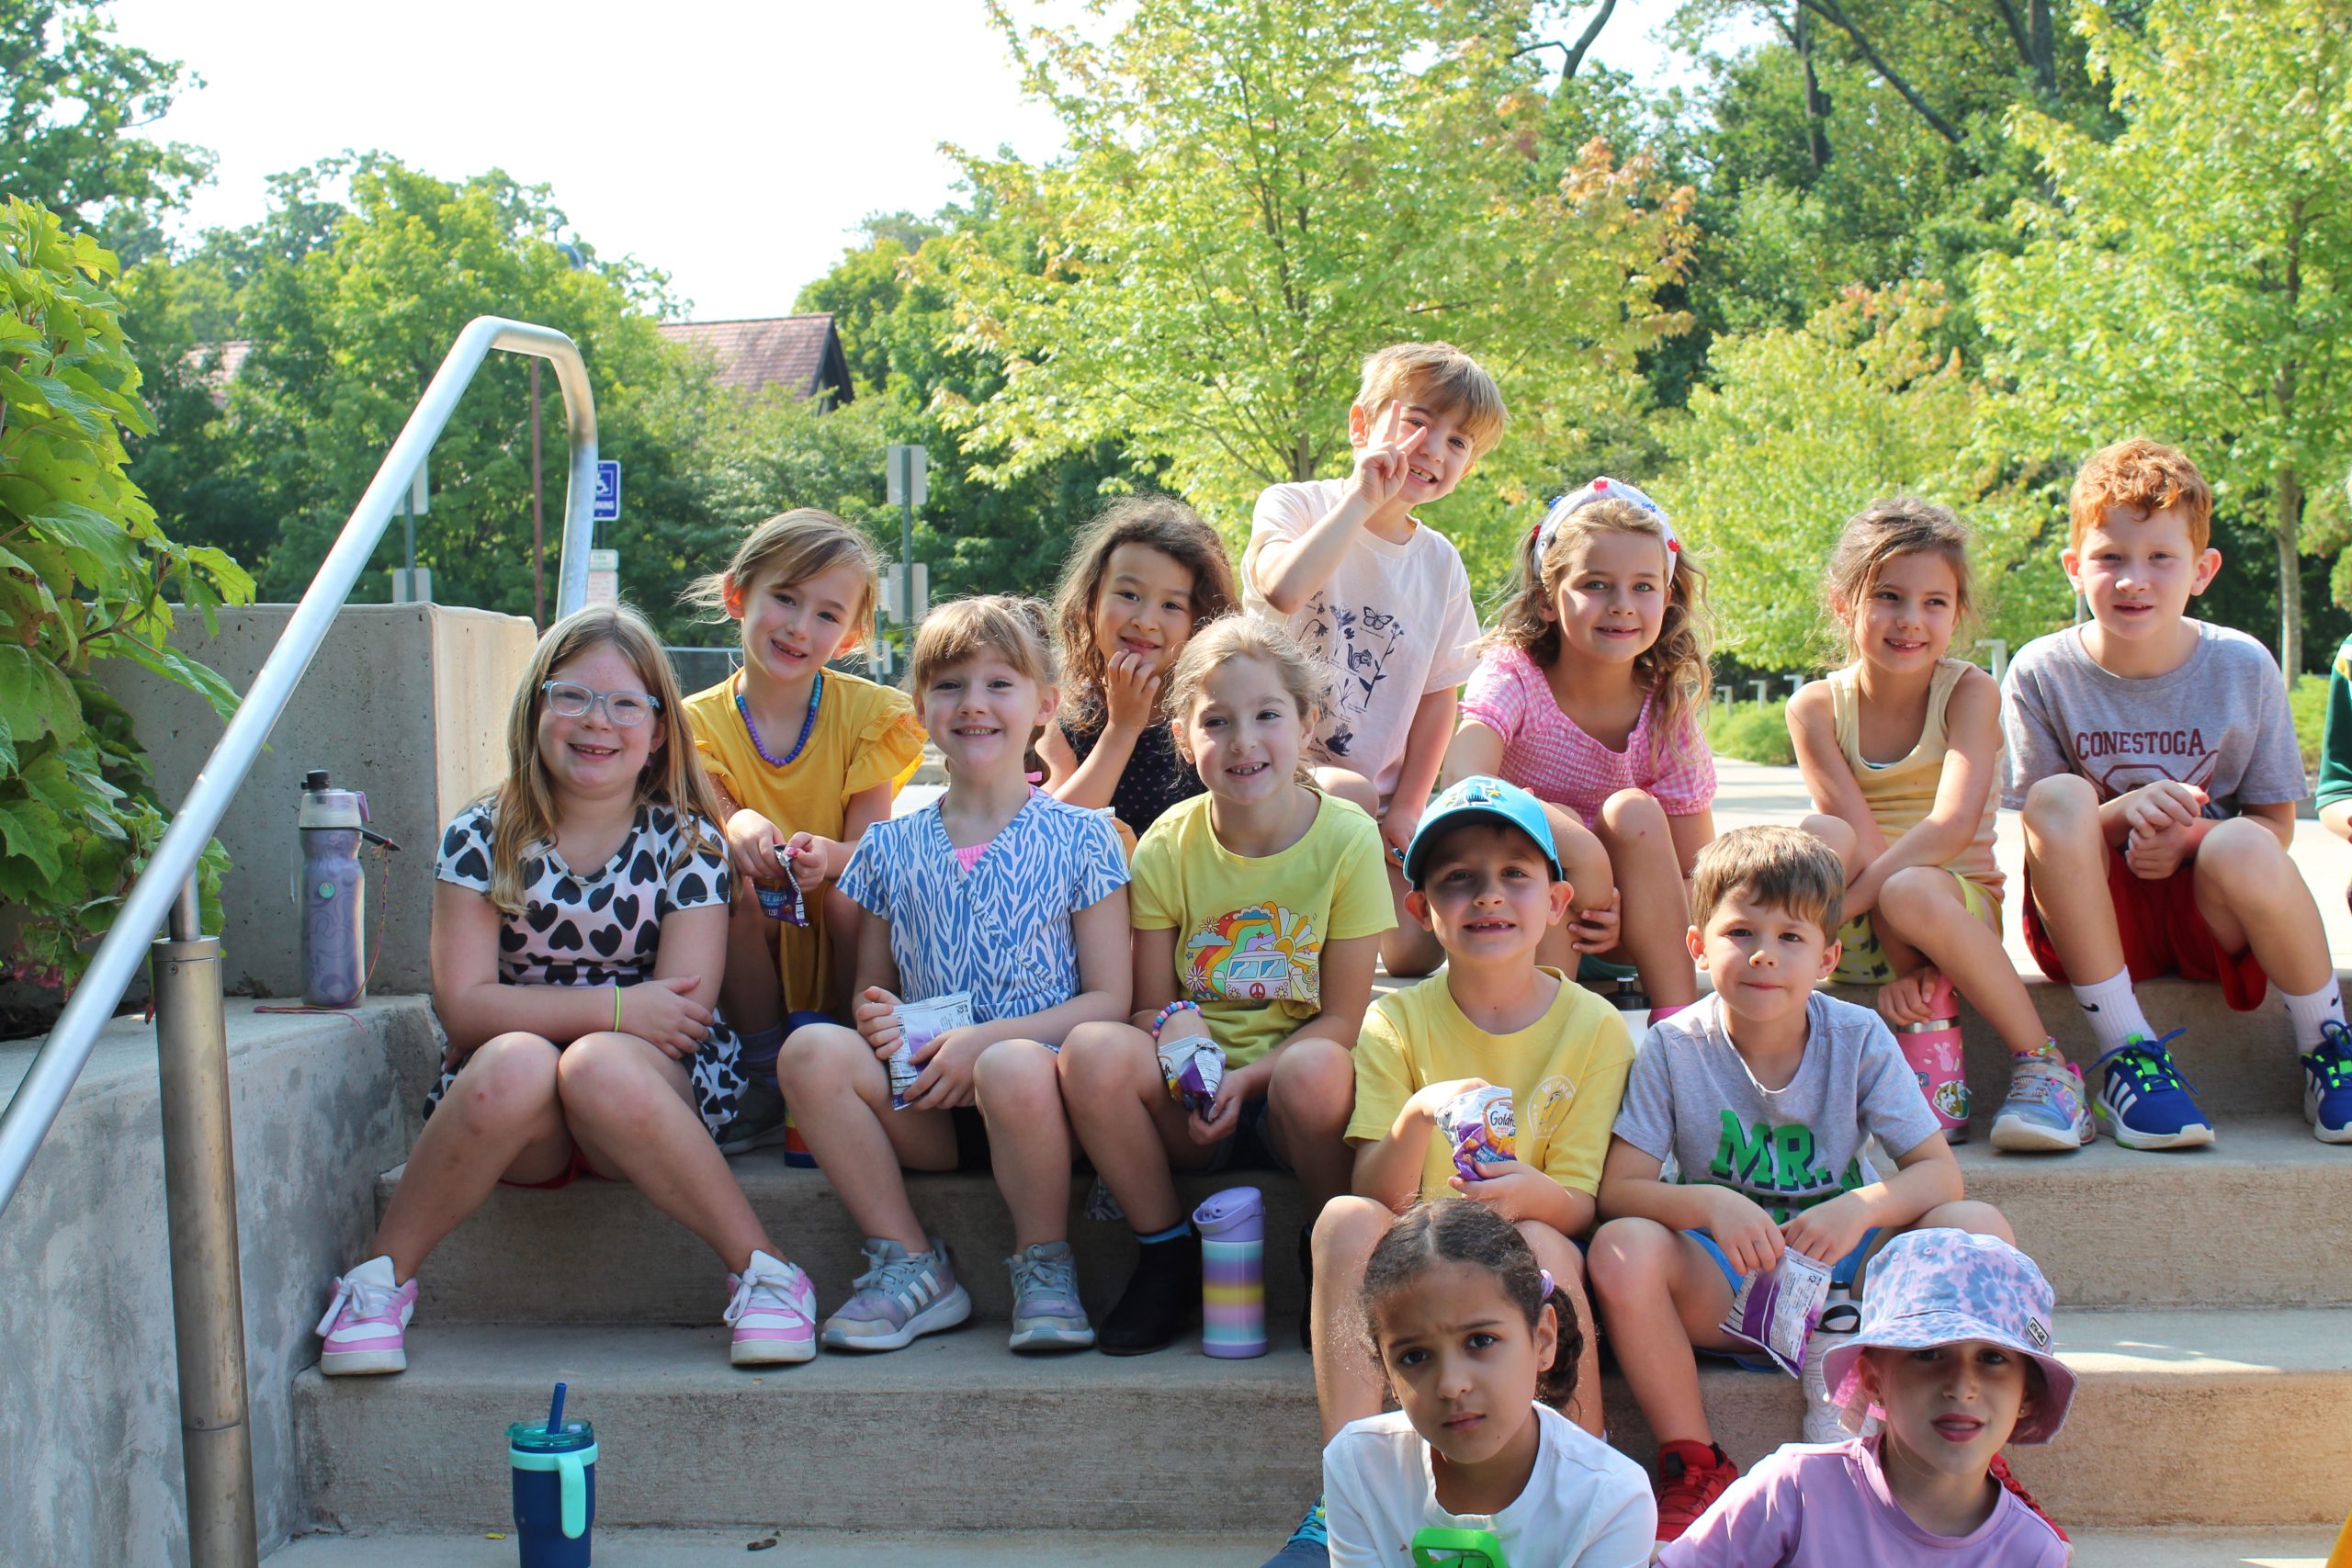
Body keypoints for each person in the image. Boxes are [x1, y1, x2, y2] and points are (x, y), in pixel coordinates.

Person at [315, 604, 816, 1374]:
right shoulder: (483, 833)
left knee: (597, 1065)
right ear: (537, 708)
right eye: (573, 695)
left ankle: (767, 1271)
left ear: (658, 731)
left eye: (625, 703)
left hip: (642, 1100)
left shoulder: (688, 842)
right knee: (518, 1060)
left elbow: (677, 1020)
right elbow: (466, 1005)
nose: (597, 721)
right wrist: (617, 1006)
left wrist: (596, 1027)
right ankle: (379, 1280)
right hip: (516, 1113)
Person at [1587, 826, 2013, 1543]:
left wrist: (1858, 1208)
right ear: (1698, 946)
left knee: (1981, 1230)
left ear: (1828, 957)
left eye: (1791, 936)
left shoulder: (1859, 1034)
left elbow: (1939, 1171)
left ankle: (1969, 1461)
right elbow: (1619, 1191)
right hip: (1734, 1277)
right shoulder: (1673, 1045)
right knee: (1622, 1246)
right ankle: (1694, 1462)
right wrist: (1712, 1202)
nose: (1763, 953)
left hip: (1854, 1276)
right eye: (1740, 931)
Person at [1266, 775, 1635, 1568]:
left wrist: (1531, 1193)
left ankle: (1577, 1473)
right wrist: (1415, 1116)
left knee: (1548, 1241)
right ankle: (1348, 1495)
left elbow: (1578, 1199)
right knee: (1341, 1220)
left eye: (1514, 875)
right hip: (1421, 1253)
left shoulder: (1596, 1027)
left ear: (1559, 901)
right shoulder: (1395, 1017)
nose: (1487, 896)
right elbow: (1376, 1190)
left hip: (1517, 1253)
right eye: (1457, 879)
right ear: (1420, 909)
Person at [775, 596, 1132, 1353]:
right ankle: (910, 1265)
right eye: (949, 684)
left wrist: (987, 1042)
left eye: (999, 684)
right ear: (919, 708)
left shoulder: (1083, 839)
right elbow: (873, 991)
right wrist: (875, 1017)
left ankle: (1043, 1262)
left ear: (1045, 704)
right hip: (927, 1105)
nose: (973, 703)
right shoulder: (889, 846)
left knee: (1008, 1064)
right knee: (809, 1051)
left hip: (1040, 1105)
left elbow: (1111, 998)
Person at [2004, 438, 2351, 1148]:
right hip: (2095, 914)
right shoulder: (2042, 671)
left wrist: (2188, 836)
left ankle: (2328, 1047)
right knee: (2061, 797)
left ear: (2202, 570)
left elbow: (2277, 823)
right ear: (2074, 567)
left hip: (2210, 913)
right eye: (2110, 558)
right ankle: (2129, 1051)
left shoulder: (2241, 664)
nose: (2134, 579)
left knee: (2243, 840)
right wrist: (2123, 814)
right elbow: (2041, 831)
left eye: (2160, 557)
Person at [1060, 617, 1393, 1354]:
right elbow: (1150, 1001)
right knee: (1090, 1049)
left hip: (1296, 1103)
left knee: (1316, 1068)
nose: (1243, 741)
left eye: (1267, 714)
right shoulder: (1170, 843)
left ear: (1307, 722)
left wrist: (1249, 1081)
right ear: (1184, 737)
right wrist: (1186, 1049)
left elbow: (1342, 1019)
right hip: (1194, 1101)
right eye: (1217, 721)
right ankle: (1166, 1250)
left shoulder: (1345, 837)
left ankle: (1331, 1247)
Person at [1789, 497, 2090, 1153]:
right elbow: (1859, 839)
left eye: (1934, 602)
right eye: (1888, 597)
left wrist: (1819, 924)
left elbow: (1952, 826)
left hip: (1955, 910)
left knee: (1911, 888)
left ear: (1957, 613)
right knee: (1823, 836)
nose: (1909, 621)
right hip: (1862, 921)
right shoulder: (1814, 708)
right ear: (1844, 603)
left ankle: (2045, 1064)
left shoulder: (1970, 692)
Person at [1243, 341, 1501, 977]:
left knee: (1417, 950)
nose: (1435, 448)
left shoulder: (1439, 562)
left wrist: (1411, 805)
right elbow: (1282, 589)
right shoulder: (1295, 504)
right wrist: (1359, 501)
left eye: (1459, 442)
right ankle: (1295, 972)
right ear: (1361, 425)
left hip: (1374, 807)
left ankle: (1343, 925)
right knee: (1347, 794)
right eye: (1418, 422)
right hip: (1271, 772)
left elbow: (1441, 694)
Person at [679, 510, 926, 1151]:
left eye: (826, 613)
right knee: (724, 884)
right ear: (739, 593)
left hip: (841, 927)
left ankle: (856, 1050)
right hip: (755, 937)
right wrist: (741, 823)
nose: (798, 626)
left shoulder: (871, 714)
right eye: (784, 597)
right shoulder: (692, 724)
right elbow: (717, 810)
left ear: (848, 635)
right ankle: (763, 1070)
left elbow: (871, 850)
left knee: (856, 890)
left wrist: (826, 857)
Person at [1448, 478, 1715, 1021]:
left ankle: (1679, 1029)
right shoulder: (1515, 675)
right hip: (1514, 915)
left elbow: (1699, 871)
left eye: (1643, 587)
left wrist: (1632, 918)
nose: (1622, 605)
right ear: (1548, 600)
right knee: (1562, 823)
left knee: (1634, 810)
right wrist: (1578, 846)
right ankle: (1543, 1033)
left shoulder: (1665, 707)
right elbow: (1464, 776)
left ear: (1666, 599)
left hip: (1623, 932)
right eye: (1596, 584)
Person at [1657, 1229, 2071, 1566]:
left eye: (1992, 1358)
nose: (1962, 1387)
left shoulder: (2032, 1553)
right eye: (1928, 1354)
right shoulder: (1794, 1489)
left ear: (2027, 1396)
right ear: (1873, 1381)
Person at [1321, 1201, 1655, 1568]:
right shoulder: (1358, 1465)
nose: (1451, 1385)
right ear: (1387, 1374)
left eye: (1481, 1341)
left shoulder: (1611, 1499)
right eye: (1414, 1357)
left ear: (1543, 1340)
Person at [1040, 493, 1239, 840]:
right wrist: (1122, 728)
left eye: (1171, 605)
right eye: (1129, 595)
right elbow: (1048, 835)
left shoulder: (1219, 707)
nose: (1146, 621)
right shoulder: (1061, 710)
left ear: (1201, 621)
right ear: (1091, 603)